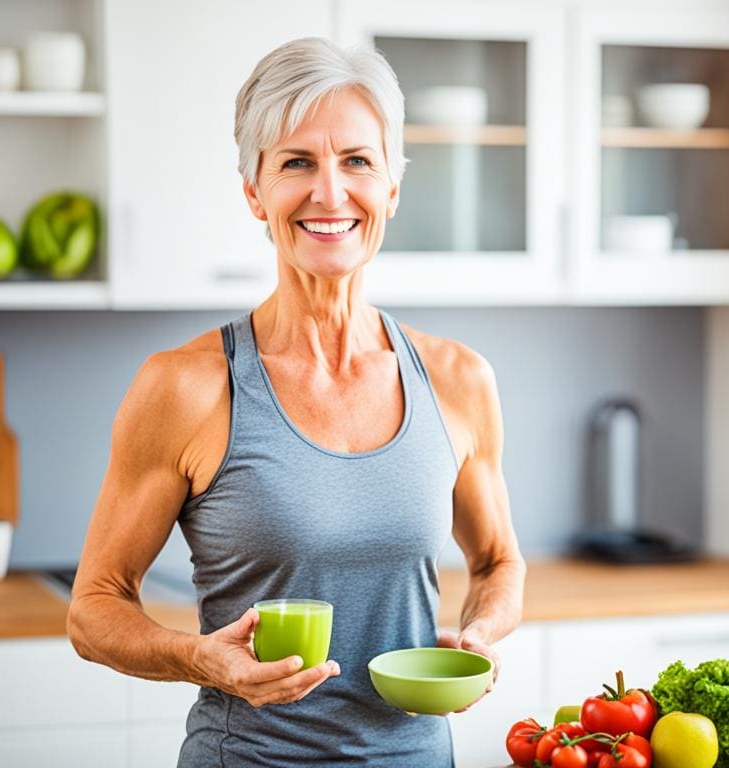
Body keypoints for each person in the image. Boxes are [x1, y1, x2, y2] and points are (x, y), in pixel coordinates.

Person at [66, 37, 526, 767]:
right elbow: (94, 608)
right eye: (296, 163)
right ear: (254, 191)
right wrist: (201, 659)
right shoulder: (186, 387)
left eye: (357, 162)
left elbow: (500, 560)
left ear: (393, 188)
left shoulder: (458, 379)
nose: (330, 194)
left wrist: (477, 635)